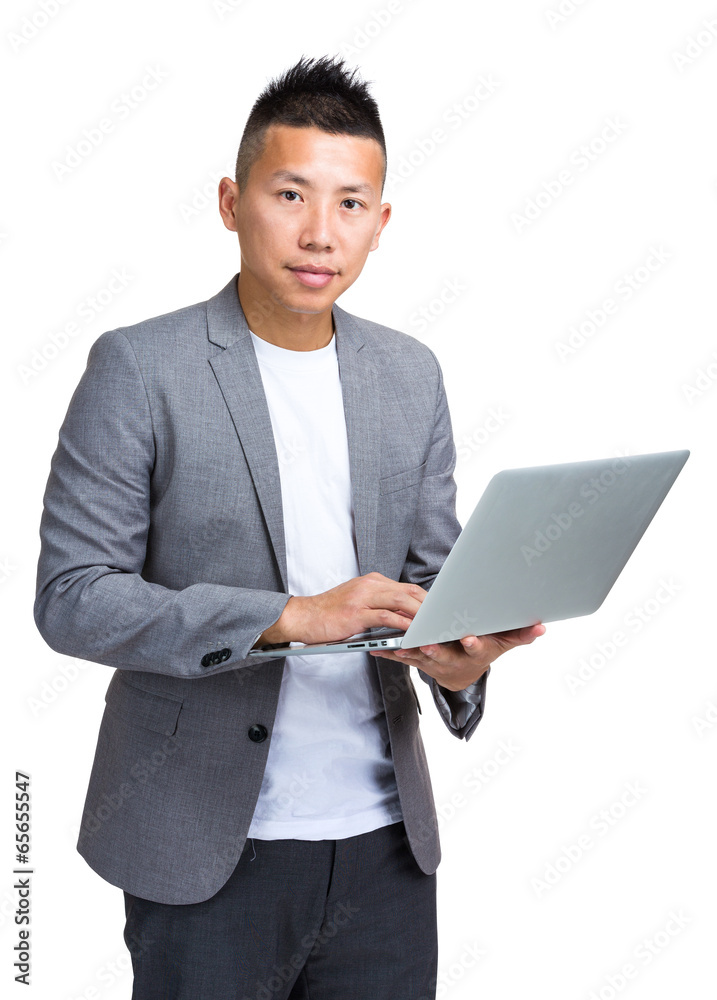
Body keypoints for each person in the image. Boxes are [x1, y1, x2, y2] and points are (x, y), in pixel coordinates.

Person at [34, 55, 544, 1000]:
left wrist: (463, 662)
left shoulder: (410, 374)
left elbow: (435, 577)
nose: (320, 232)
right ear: (232, 202)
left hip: (386, 850)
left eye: (351, 204)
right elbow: (73, 601)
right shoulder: (139, 369)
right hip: (203, 850)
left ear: (380, 224)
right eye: (290, 193)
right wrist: (291, 616)